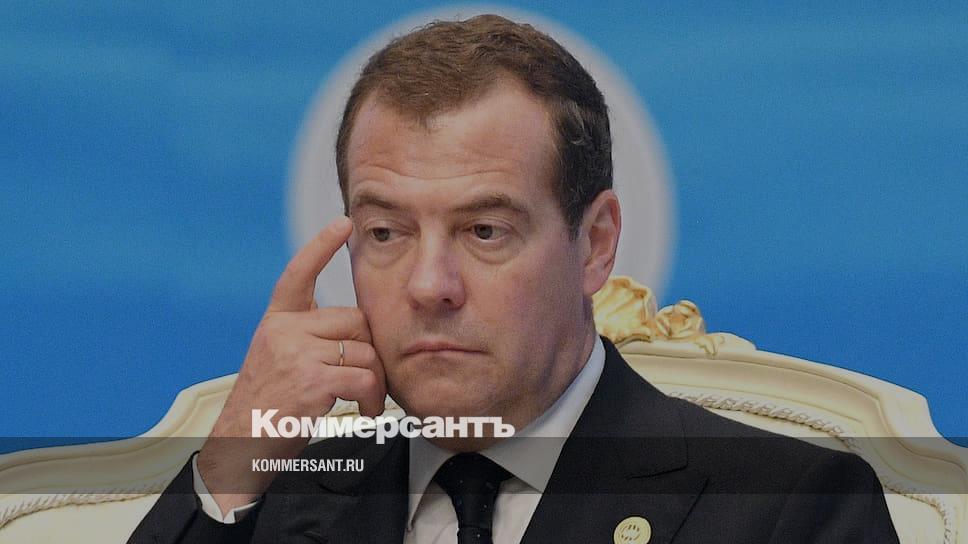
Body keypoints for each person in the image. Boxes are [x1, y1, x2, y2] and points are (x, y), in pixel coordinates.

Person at [130, 14, 898, 543]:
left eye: (484, 231)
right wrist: (228, 467)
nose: (429, 285)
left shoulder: (786, 508)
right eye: (387, 233)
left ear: (595, 245)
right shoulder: (278, 499)